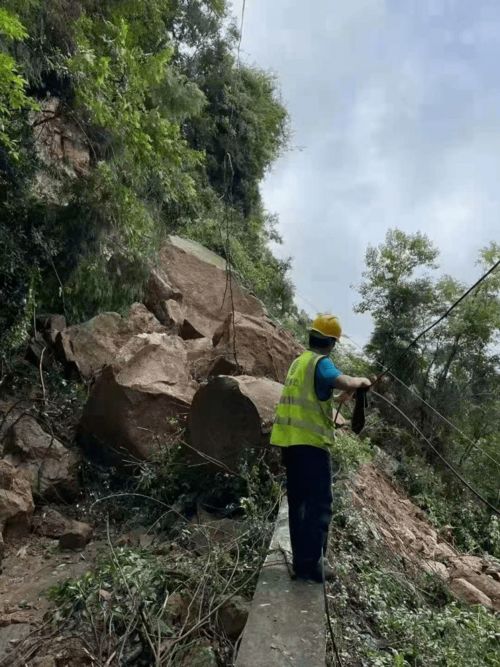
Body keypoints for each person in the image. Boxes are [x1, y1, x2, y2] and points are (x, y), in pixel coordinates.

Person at [270, 314, 371, 583]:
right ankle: (313, 565)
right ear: (332, 343)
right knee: (319, 505)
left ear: (311, 336)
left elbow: (315, 393)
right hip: (311, 448)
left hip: (290, 444)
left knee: (299, 503)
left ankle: (302, 562)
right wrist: (360, 381)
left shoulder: (299, 363)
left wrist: (338, 397)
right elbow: (344, 380)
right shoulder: (321, 362)